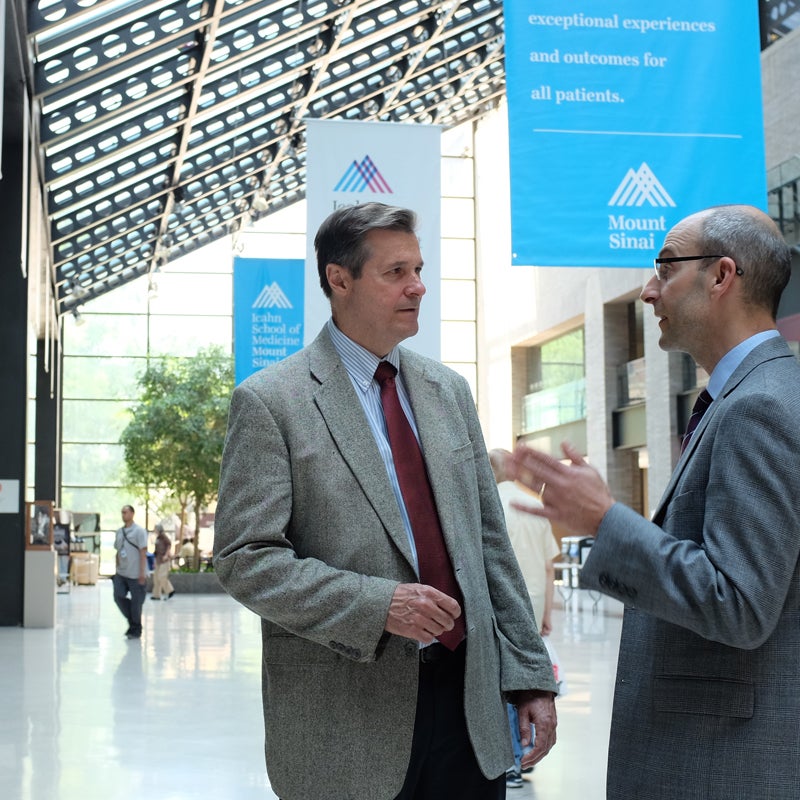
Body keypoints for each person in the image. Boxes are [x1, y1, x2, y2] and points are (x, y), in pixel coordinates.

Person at [214, 202, 557, 800]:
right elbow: (246, 558)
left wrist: (528, 676)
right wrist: (377, 605)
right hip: (347, 719)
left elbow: (488, 544)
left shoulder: (448, 391)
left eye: (419, 269)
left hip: (468, 710)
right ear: (338, 280)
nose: (418, 286)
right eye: (396, 272)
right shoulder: (273, 403)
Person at [505, 204, 800, 799]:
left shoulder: (758, 408)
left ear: (722, 276)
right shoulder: (746, 396)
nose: (647, 290)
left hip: (721, 766)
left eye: (665, 268)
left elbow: (739, 602)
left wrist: (605, 521)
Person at [489, 448, 560, 790]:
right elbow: (549, 566)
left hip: (503, 603)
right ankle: (527, 752)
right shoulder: (533, 505)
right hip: (533, 598)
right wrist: (546, 612)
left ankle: (513, 762)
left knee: (504, 678)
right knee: (530, 675)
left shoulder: (490, 504)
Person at [112, 505, 148, 639]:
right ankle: (134, 622)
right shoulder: (119, 532)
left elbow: (143, 552)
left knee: (136, 603)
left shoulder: (139, 531)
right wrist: (116, 569)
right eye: (122, 512)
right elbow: (117, 551)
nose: (123, 515)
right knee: (118, 596)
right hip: (121, 573)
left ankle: (135, 628)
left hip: (136, 573)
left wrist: (142, 573)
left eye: (125, 512)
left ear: (132, 514)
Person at [151, 523, 175, 601]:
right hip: (158, 559)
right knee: (156, 578)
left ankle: (170, 590)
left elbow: (169, 545)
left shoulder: (163, 537)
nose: (154, 530)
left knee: (162, 576)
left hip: (164, 560)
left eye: (155, 529)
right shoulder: (158, 538)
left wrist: (166, 555)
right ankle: (156, 595)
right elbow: (156, 550)